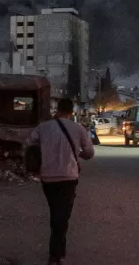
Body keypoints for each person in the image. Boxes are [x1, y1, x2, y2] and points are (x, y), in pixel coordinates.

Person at [26, 98, 95, 265]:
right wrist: (79, 154)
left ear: (58, 109)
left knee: (56, 213)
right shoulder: (78, 129)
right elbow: (89, 152)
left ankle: (56, 253)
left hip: (48, 177)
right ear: (72, 112)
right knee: (62, 216)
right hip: (68, 177)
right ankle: (56, 255)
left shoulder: (43, 127)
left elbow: (29, 143)